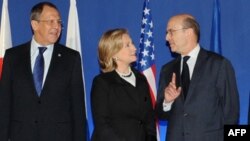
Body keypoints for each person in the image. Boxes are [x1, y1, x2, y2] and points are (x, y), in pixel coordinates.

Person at [0, 2, 86, 141]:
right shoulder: (13, 57)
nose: (56, 26)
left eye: (59, 22)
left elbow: (78, 109)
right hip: (21, 136)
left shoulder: (71, 58)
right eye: (50, 21)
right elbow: (4, 104)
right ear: (35, 24)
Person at [156, 14, 239, 141]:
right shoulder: (167, 69)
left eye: (171, 32)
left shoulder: (219, 65)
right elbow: (160, 114)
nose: (167, 37)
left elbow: (231, 114)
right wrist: (167, 102)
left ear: (188, 32)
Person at [90, 28, 157, 141]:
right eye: (127, 45)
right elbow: (102, 126)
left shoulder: (141, 79)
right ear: (113, 53)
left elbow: (149, 120)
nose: (134, 48)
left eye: (132, 43)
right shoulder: (102, 82)